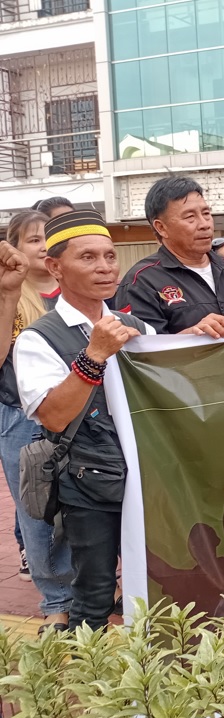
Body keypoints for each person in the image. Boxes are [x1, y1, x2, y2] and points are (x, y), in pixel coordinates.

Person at [13, 210, 155, 630]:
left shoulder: (134, 326)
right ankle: (88, 669)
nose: (105, 267)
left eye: (110, 256)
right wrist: (93, 356)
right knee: (94, 593)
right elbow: (54, 417)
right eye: (88, 257)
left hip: (144, 477)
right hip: (87, 481)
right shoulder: (39, 337)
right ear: (55, 267)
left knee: (157, 579)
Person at [0, 215, 74, 630]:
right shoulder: (9, 292)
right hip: (22, 415)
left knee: (87, 504)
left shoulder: (75, 292)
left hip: (83, 412)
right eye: (33, 239)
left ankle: (95, 586)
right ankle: (57, 600)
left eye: (51, 237)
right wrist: (8, 295)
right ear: (15, 248)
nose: (44, 245)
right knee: (39, 510)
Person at [116, 176, 224, 337]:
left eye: (206, 213)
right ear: (161, 228)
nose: (204, 224)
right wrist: (191, 335)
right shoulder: (141, 281)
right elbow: (139, 346)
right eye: (190, 217)